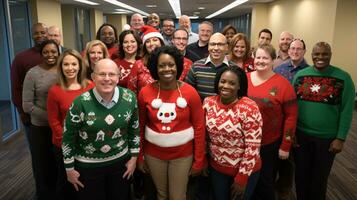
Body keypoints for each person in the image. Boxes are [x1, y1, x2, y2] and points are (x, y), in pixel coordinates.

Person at [62, 58, 140, 200]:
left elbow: (134, 129)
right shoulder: (80, 103)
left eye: (111, 74)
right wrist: (69, 169)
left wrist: (134, 158)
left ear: (119, 77)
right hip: (88, 167)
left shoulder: (130, 98)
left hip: (120, 164)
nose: (107, 79)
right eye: (102, 74)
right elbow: (68, 137)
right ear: (93, 77)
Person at [137, 46, 205, 200]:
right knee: (161, 195)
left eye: (171, 65)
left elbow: (199, 128)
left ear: (178, 66)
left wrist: (199, 160)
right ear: (155, 67)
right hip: (153, 155)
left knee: (177, 196)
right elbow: (140, 126)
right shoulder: (145, 92)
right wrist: (140, 156)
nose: (167, 69)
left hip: (183, 155)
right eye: (161, 65)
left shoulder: (190, 92)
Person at [293, 42, 355, 200]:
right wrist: (291, 133)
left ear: (330, 55)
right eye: (317, 54)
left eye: (324, 54)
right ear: (311, 55)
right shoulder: (301, 76)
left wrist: (340, 138)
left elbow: (347, 111)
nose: (320, 57)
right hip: (301, 136)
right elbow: (291, 107)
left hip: (327, 139)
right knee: (301, 176)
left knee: (319, 179)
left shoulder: (343, 78)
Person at [203, 67, 263, 200]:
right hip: (217, 169)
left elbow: (253, 146)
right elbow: (204, 136)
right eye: (222, 81)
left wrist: (242, 177)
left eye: (232, 83)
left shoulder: (249, 107)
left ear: (239, 86)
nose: (225, 86)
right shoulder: (208, 103)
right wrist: (202, 159)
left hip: (245, 172)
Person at [247, 44, 297, 200]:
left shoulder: (283, 85)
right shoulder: (244, 78)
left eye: (265, 58)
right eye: (258, 57)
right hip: (244, 142)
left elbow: (291, 116)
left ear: (273, 60)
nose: (261, 61)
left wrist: (285, 145)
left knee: (264, 182)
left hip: (268, 144)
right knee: (245, 180)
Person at [47, 49, 94, 200]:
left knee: (85, 181)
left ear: (80, 66)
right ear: (61, 67)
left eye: (74, 64)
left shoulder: (90, 86)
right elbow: (53, 120)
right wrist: (68, 143)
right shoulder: (55, 90)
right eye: (66, 64)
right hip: (64, 145)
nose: (70, 68)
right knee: (66, 182)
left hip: (87, 144)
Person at [22, 39, 59, 200]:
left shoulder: (65, 69)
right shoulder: (32, 73)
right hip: (41, 127)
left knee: (59, 163)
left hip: (61, 127)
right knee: (42, 163)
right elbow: (27, 105)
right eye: (46, 52)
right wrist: (52, 118)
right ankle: (44, 194)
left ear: (59, 52)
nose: (50, 55)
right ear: (41, 54)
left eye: (53, 51)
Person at [273, 38, 308, 200]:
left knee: (290, 161)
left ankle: (285, 189)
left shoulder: (308, 72)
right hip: (278, 121)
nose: (295, 51)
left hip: (297, 122)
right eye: (292, 48)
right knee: (275, 157)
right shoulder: (279, 69)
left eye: (298, 49)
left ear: (304, 51)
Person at [11, 22, 47, 144]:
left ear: (47, 34)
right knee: (37, 151)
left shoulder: (55, 55)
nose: (39, 35)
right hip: (31, 115)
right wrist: (22, 113)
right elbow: (16, 88)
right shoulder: (21, 58)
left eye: (42, 32)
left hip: (54, 113)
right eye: (36, 33)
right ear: (31, 35)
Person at [186, 33, 237, 100]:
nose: (216, 48)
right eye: (212, 44)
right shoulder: (196, 67)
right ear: (208, 47)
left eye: (220, 44)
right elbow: (188, 94)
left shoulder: (235, 70)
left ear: (227, 47)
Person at [127, 25, 165, 94]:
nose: (151, 44)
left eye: (155, 40)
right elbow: (131, 90)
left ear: (161, 43)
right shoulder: (138, 64)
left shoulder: (168, 62)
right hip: (143, 103)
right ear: (145, 46)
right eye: (147, 41)